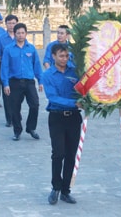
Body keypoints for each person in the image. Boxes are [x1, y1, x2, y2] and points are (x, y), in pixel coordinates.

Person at [41, 43, 82, 205]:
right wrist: (75, 103)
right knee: (58, 153)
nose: (64, 59)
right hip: (57, 118)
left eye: (66, 56)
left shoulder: (75, 72)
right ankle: (55, 187)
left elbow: (84, 89)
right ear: (53, 56)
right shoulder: (48, 75)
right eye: (61, 56)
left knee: (71, 155)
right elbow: (53, 97)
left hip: (74, 119)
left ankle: (66, 190)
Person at [1, 22, 43, 141]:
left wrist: (40, 81)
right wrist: (6, 84)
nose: (20, 35)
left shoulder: (31, 48)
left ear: (26, 34)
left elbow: (37, 65)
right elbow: (5, 67)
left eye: (22, 33)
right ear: (14, 34)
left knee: (35, 104)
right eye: (18, 33)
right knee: (14, 107)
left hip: (29, 82)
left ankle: (31, 128)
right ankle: (17, 131)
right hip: (14, 82)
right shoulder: (9, 49)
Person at [0, 14, 18, 127]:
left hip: (17, 70)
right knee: (7, 95)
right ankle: (9, 118)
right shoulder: (1, 39)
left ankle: (16, 115)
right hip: (5, 69)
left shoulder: (21, 37)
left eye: (14, 23)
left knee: (17, 95)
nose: (11, 25)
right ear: (6, 24)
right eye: (9, 23)